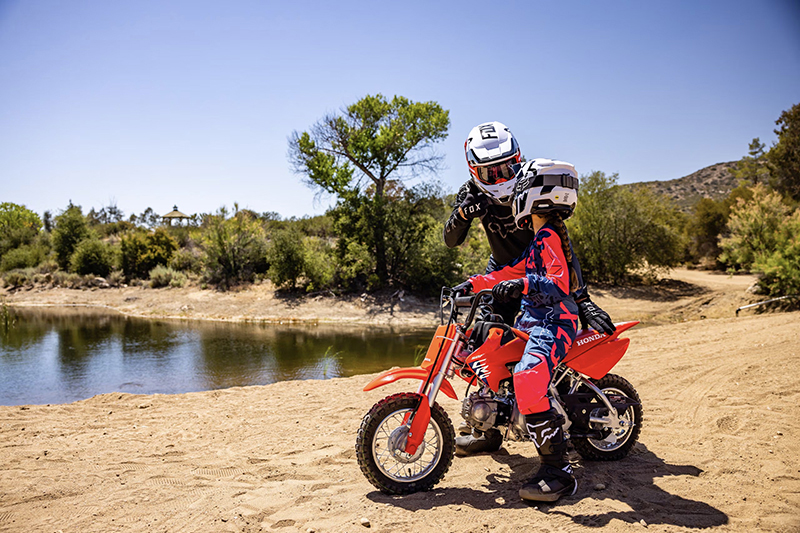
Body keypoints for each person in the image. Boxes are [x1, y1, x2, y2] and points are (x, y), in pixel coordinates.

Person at [451, 168, 584, 503]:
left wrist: (522, 285)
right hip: (533, 321)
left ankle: (559, 472)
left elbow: (558, 283)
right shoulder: (541, 239)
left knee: (526, 376)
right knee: (489, 348)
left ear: (531, 197)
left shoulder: (550, 236)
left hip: (554, 322)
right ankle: (492, 425)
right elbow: (511, 271)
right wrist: (474, 283)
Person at [444, 121, 613, 334]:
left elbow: (559, 239)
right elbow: (451, 241)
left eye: (507, 168)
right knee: (485, 335)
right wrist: (462, 214)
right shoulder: (470, 192)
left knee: (546, 333)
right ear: (473, 171)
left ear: (518, 158)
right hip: (501, 270)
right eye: (491, 173)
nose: (501, 178)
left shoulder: (532, 179)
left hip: (539, 268)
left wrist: (583, 300)